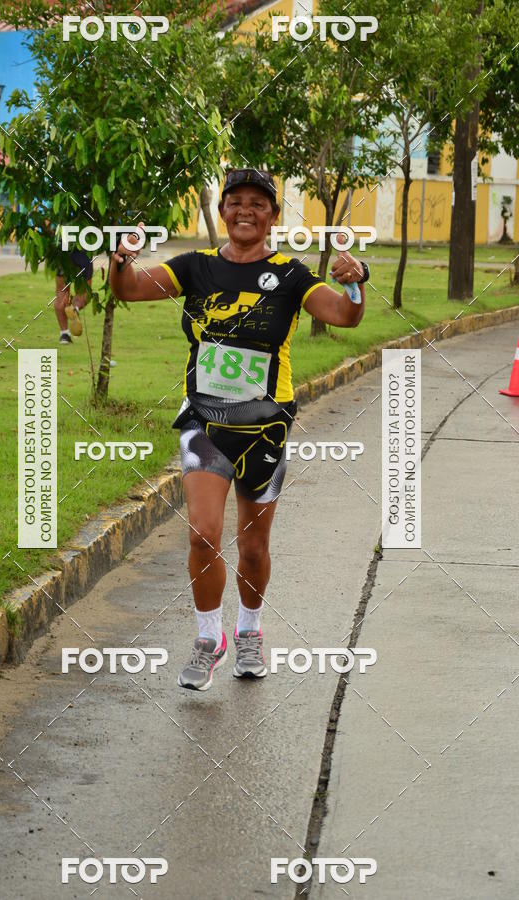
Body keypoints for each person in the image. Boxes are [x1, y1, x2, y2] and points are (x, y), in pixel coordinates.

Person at [110, 168, 368, 691]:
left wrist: (355, 281)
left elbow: (345, 315)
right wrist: (121, 260)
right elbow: (130, 289)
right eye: (236, 201)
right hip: (204, 422)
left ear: (272, 216)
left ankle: (249, 630)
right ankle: (209, 639)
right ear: (222, 210)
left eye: (258, 203)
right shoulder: (196, 267)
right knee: (203, 534)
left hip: (265, 428)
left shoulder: (291, 275)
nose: (245, 210)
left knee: (252, 547)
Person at [55, 248, 93, 344]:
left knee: (61, 291)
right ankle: (75, 308)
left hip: (64, 250)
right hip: (84, 249)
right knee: (84, 291)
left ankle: (64, 334)